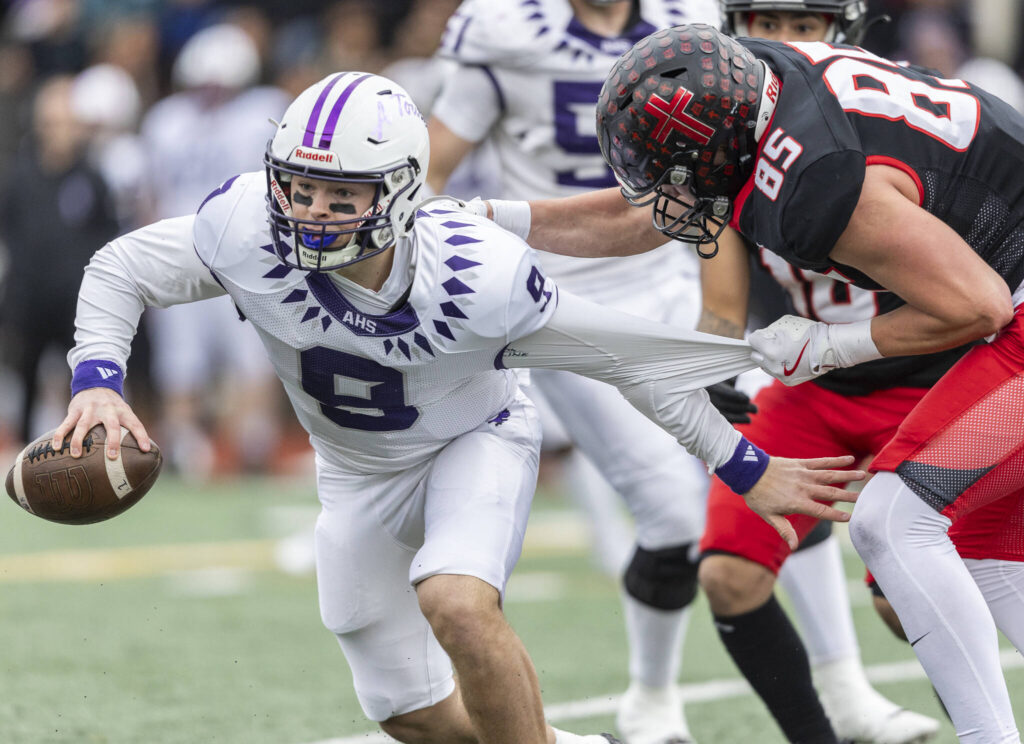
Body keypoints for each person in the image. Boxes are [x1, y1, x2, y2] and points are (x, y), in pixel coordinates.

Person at [54, 72, 861, 744]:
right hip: (355, 471)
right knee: (415, 718)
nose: (310, 214)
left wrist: (744, 466)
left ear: (403, 190)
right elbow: (121, 268)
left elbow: (626, 360)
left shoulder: (482, 278)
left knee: (456, 601)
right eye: (297, 188)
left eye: (340, 197)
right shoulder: (243, 229)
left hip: (472, 439)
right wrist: (97, 378)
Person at [468, 22, 1023, 742]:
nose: (667, 193)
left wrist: (829, 344)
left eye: (677, 169)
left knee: (893, 521)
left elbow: (973, 305)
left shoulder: (813, 182)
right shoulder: (753, 81)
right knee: (983, 547)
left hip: (1000, 308)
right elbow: (652, 212)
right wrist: (492, 218)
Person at [427, 1, 727, 740]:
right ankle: (652, 698)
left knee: (777, 470)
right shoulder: (504, 29)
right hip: (562, 295)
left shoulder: (688, 16)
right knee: (674, 512)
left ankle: (842, 686)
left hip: (679, 276)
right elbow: (432, 170)